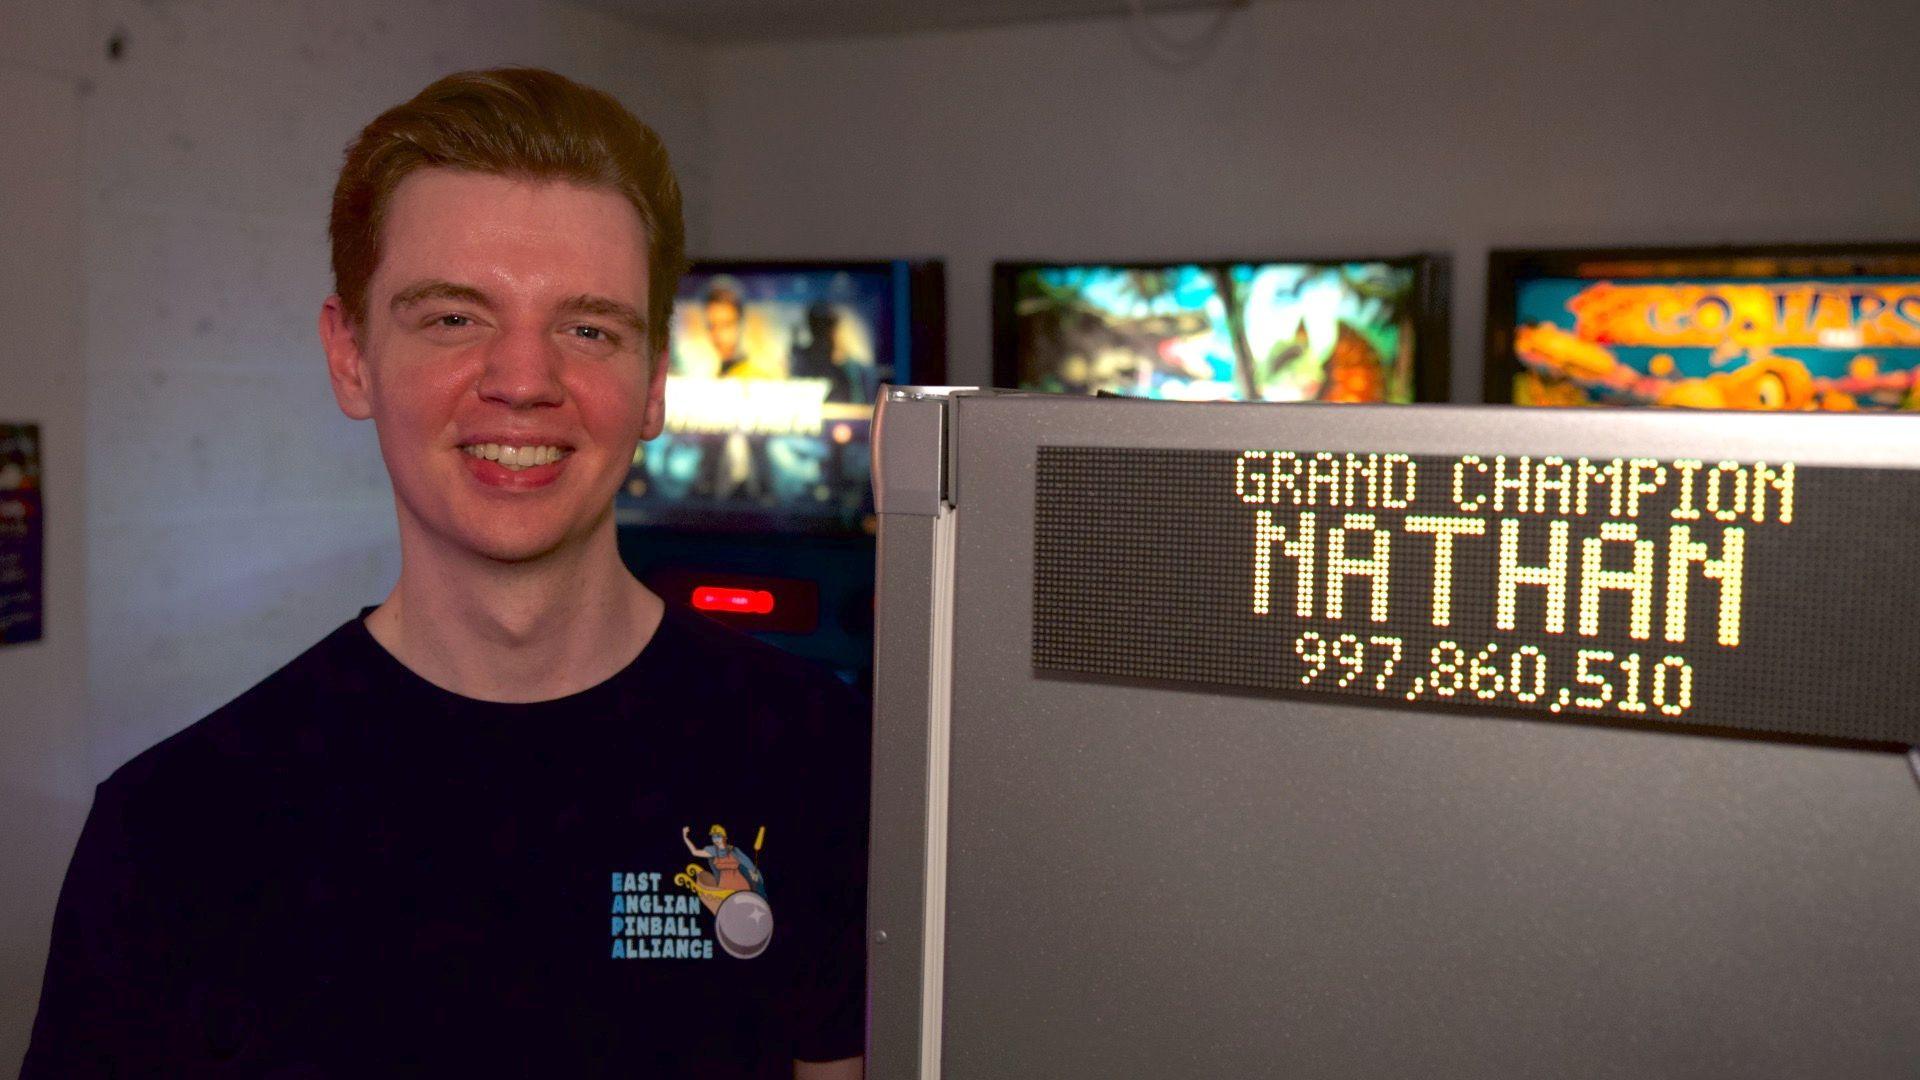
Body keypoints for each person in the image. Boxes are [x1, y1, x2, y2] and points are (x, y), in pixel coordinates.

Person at [22, 68, 869, 1080]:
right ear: (351, 358)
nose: (522, 380)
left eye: (588, 327)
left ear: (653, 382)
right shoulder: (173, 831)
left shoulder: (825, 758)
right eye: (453, 319)